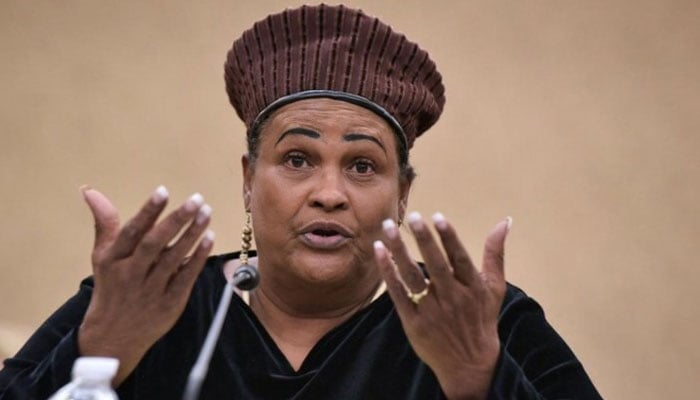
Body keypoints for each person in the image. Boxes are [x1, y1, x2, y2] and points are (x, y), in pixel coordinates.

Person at [0, 4, 602, 399]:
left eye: (363, 165)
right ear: (247, 180)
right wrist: (98, 352)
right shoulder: (147, 301)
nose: (329, 194)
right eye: (296, 159)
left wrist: (480, 380)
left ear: (402, 195)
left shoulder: (478, 320)